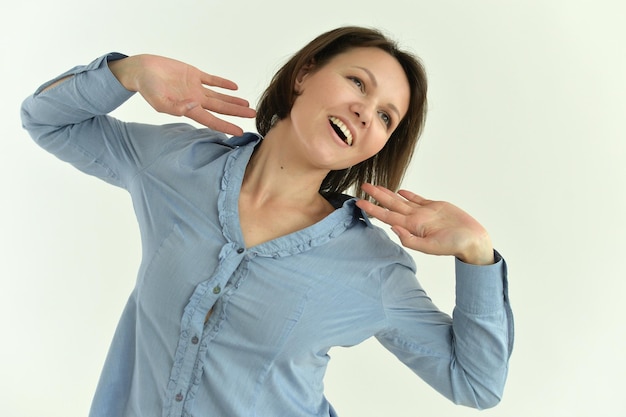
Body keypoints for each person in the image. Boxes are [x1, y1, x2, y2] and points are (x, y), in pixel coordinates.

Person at [21, 26, 513, 417]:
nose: (365, 112)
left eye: (386, 117)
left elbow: (476, 383)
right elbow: (46, 120)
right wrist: (127, 72)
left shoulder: (373, 268)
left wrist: (476, 253)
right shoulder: (176, 164)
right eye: (357, 83)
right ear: (304, 74)